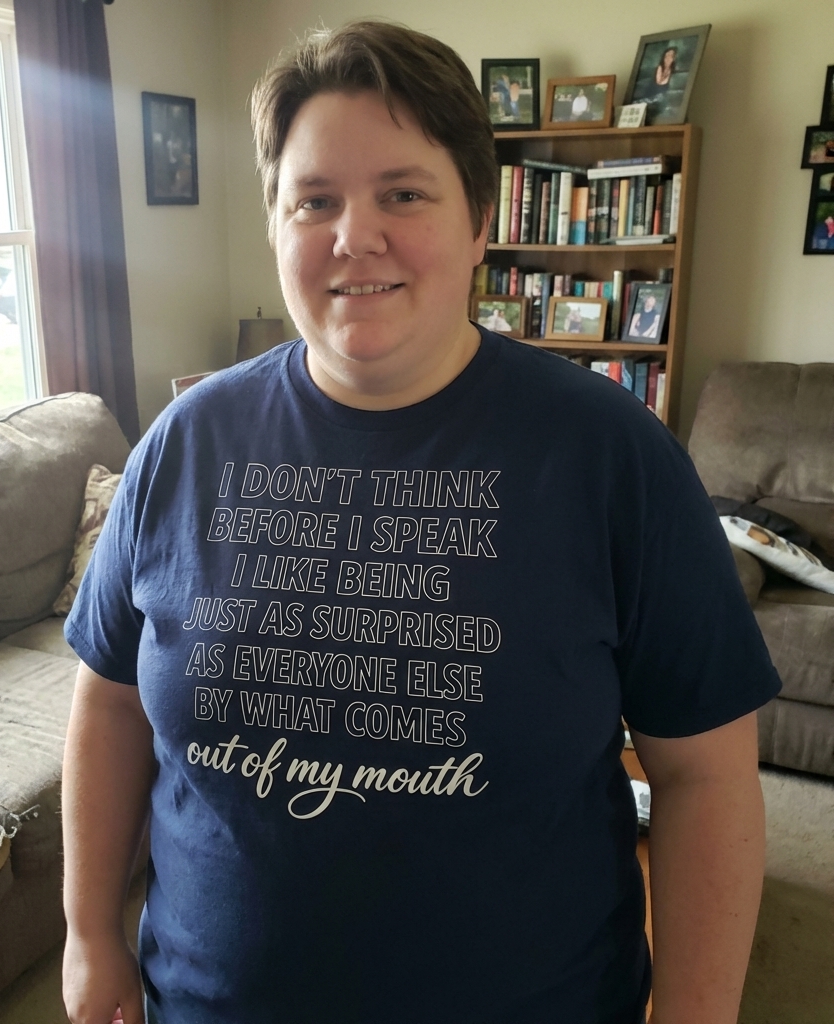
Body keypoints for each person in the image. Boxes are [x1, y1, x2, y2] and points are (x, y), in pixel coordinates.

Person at [61, 20, 780, 1024]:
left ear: (480, 220)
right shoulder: (182, 446)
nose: (355, 236)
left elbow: (704, 776)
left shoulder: (613, 457)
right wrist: (89, 931)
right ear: (274, 225)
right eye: (314, 200)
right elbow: (110, 705)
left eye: (403, 193)